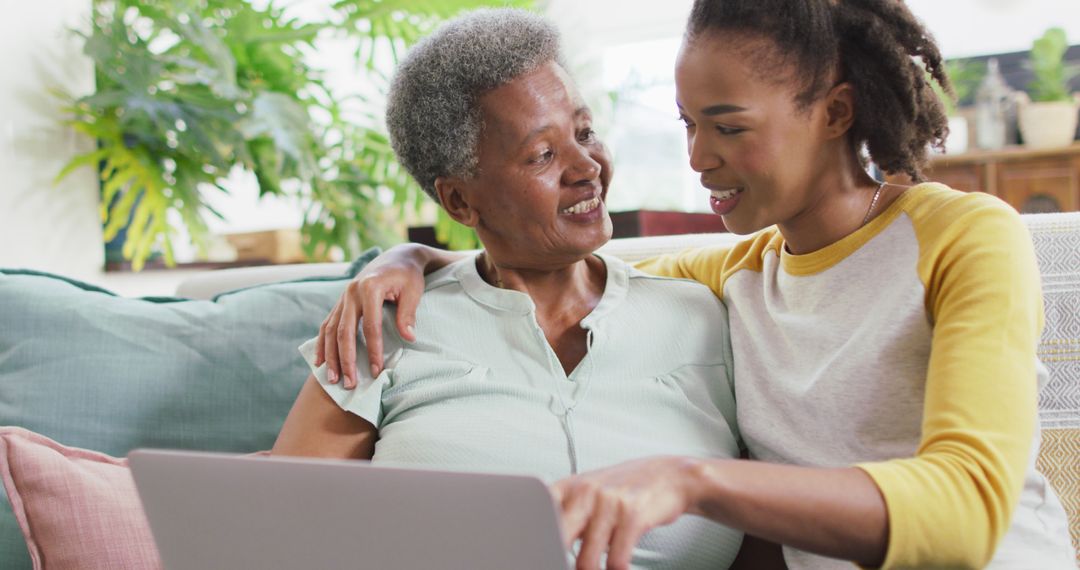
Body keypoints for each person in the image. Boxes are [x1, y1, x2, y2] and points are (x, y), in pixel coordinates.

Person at [314, 1, 1076, 569]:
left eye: (729, 127)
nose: (698, 159)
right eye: (686, 125)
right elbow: (548, 263)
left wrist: (691, 482)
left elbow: (971, 508)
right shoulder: (739, 271)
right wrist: (403, 262)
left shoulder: (965, 236)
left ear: (835, 112)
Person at [271, 9, 763, 569]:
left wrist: (410, 254)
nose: (587, 167)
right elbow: (281, 536)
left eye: (584, 132)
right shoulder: (384, 327)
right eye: (543, 154)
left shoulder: (705, 315)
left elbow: (776, 528)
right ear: (459, 201)